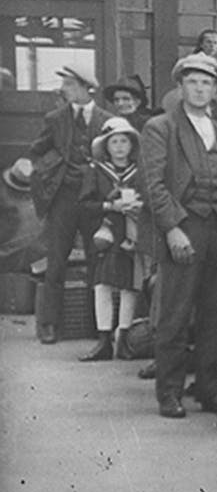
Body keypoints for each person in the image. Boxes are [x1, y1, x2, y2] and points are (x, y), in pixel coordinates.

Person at [138, 53, 217, 418]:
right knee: (175, 313)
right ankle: (169, 392)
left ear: (215, 90)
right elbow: (152, 184)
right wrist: (172, 229)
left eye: (206, 83)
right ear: (180, 87)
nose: (199, 89)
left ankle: (208, 389)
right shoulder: (160, 128)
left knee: (216, 313)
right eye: (193, 82)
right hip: (185, 227)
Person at [27, 65, 106, 345]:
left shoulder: (107, 120)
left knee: (97, 258)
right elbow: (37, 151)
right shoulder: (55, 119)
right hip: (64, 197)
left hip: (94, 199)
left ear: (86, 87)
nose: (64, 90)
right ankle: (49, 324)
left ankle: (97, 324)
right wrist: (50, 170)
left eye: (70, 84)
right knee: (56, 259)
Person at [76, 116, 148, 362]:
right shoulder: (96, 171)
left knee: (130, 285)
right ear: (105, 146)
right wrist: (110, 206)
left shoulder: (140, 172)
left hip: (132, 233)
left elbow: (150, 198)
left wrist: (138, 206)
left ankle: (123, 338)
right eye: (114, 142)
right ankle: (104, 340)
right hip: (105, 233)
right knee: (102, 284)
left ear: (132, 145)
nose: (119, 147)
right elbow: (84, 205)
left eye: (124, 141)